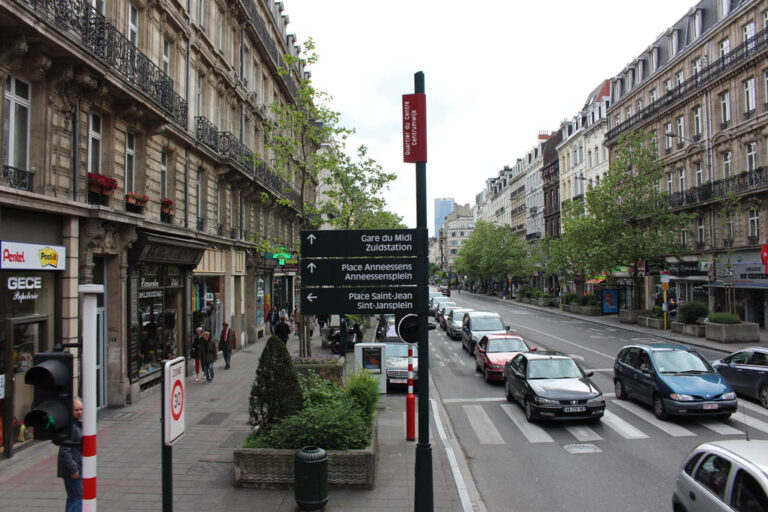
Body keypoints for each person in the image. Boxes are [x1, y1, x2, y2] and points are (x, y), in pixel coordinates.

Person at [58, 398, 83, 512]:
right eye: (76, 410)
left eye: (81, 409)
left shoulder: (76, 424)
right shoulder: (71, 428)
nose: (79, 412)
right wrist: (73, 469)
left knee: (73, 496)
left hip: (76, 466)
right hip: (73, 470)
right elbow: (64, 451)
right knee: (78, 496)